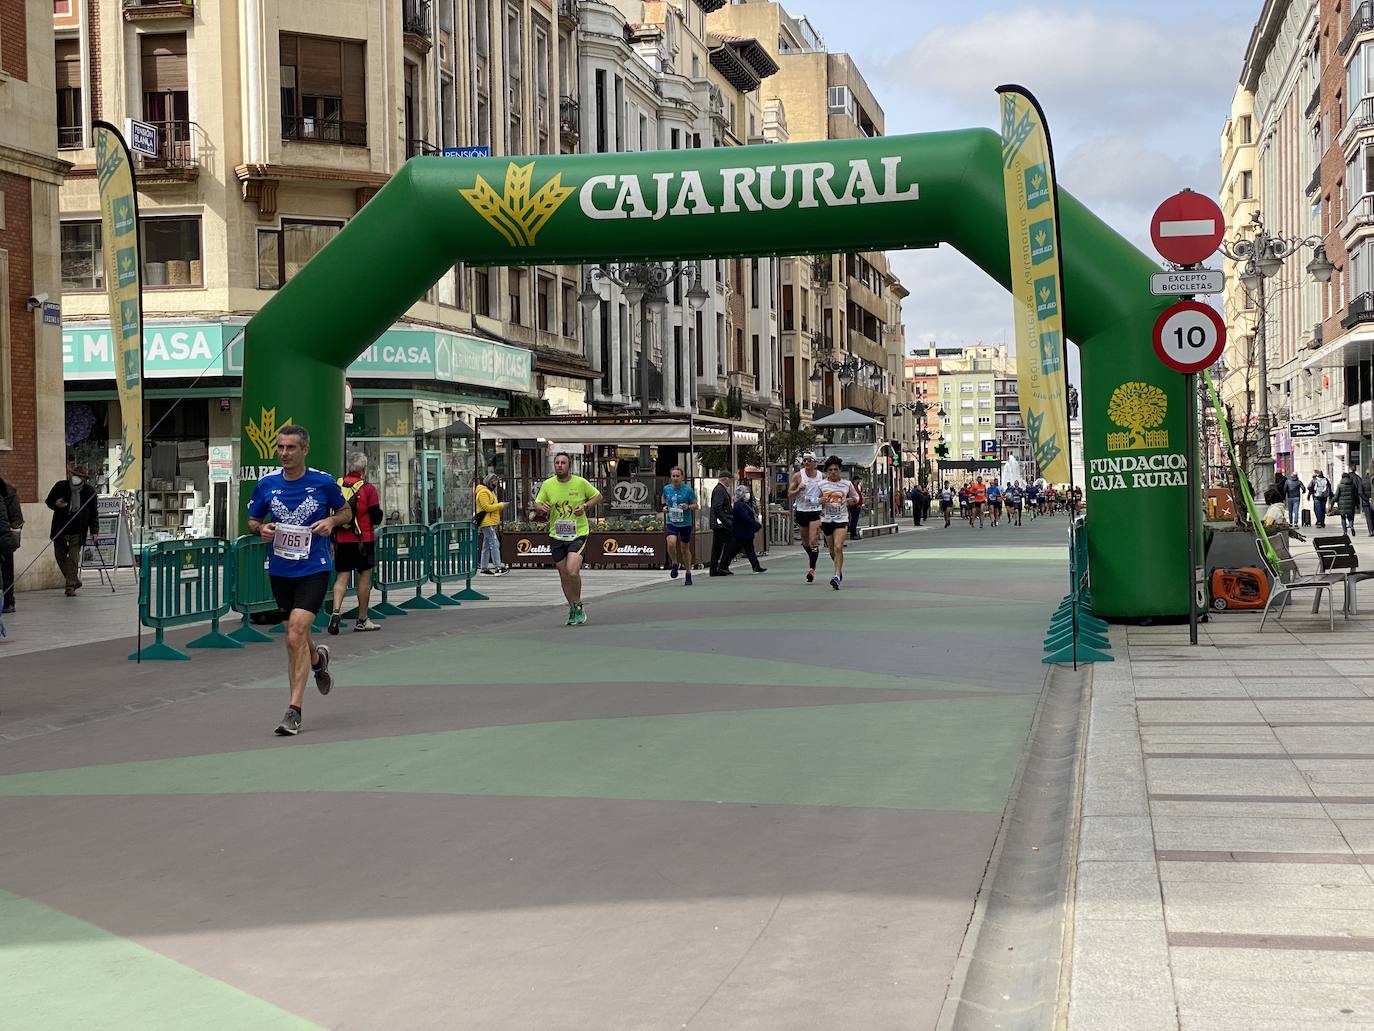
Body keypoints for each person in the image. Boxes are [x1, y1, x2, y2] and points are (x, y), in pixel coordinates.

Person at [245, 425, 353, 737]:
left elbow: (345, 511)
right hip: (281, 569)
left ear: (304, 450)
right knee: (298, 632)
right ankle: (318, 661)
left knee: (293, 634)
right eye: (280, 447)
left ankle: (294, 710)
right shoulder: (267, 484)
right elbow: (253, 519)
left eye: (291, 448)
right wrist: (259, 529)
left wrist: (331, 521)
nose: (284, 454)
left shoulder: (322, 482)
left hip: (314, 568)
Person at [532, 451, 601, 625]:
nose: (560, 465)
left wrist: (585, 506)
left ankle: (578, 604)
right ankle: (573, 608)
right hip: (556, 534)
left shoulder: (580, 482)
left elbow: (598, 496)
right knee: (563, 575)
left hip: (578, 532)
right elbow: (537, 504)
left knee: (572, 571)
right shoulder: (548, 485)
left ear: (569, 465)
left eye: (563, 462)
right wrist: (542, 507)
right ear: (554, 465)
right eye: (557, 463)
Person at [326, 452, 384, 635]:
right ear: (364, 469)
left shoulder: (337, 485)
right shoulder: (368, 489)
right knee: (364, 579)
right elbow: (376, 516)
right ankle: (362, 619)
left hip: (341, 539)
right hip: (363, 539)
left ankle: (336, 612)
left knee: (341, 577)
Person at [45, 456, 99, 597]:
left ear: (84, 479)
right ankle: (74, 580)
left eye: (79, 477)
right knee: (60, 556)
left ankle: (70, 586)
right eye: (74, 475)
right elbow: (48, 501)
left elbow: (94, 513)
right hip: (60, 528)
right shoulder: (60, 486)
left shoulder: (89, 492)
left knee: (73, 558)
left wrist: (94, 531)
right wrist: (56, 504)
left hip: (78, 530)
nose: (76, 478)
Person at [818, 456, 860, 589]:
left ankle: (836, 576)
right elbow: (812, 499)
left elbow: (856, 498)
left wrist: (848, 501)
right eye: (830, 470)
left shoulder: (847, 484)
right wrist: (820, 501)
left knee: (838, 547)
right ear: (827, 471)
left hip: (841, 518)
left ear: (840, 470)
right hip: (826, 519)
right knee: (832, 551)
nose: (833, 472)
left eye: (836, 469)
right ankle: (838, 570)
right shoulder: (821, 484)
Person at [659, 466, 699, 585]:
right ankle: (675, 563)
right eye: (673, 476)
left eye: (678, 476)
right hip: (672, 521)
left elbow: (696, 505)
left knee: (684, 549)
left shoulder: (688, 490)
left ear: (682, 477)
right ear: (671, 477)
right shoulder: (666, 489)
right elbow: (663, 502)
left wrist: (688, 507)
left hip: (685, 522)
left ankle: (688, 573)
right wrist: (664, 508)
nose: (675, 478)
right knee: (671, 542)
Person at [789, 452, 824, 583]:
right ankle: (812, 556)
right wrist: (798, 489)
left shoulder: (821, 476)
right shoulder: (798, 476)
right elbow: (790, 493)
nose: (807, 462)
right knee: (805, 541)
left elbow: (826, 493)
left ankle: (811, 569)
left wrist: (823, 501)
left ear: (815, 462)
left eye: (809, 460)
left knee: (813, 540)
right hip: (802, 510)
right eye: (804, 460)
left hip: (815, 511)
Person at [721, 482, 767, 573]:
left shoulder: (743, 504)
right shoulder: (739, 505)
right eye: (745, 492)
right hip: (741, 532)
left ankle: (755, 566)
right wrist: (755, 524)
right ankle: (723, 566)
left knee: (749, 550)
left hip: (745, 532)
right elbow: (746, 518)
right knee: (735, 550)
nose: (747, 494)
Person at [475, 472, 508, 575]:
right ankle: (498, 567)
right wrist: (501, 505)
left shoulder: (490, 491)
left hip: (490, 521)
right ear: (489, 481)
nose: (496, 483)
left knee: (486, 545)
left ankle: (484, 568)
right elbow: (487, 507)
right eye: (494, 481)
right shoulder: (483, 492)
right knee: (494, 543)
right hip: (486, 522)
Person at [0, 476, 21, 613]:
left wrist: (12, 530)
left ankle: (8, 600)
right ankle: (7, 601)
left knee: (7, 570)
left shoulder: (9, 492)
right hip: (6, 535)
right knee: (7, 571)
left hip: (5, 537)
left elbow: (16, 517)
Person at [708, 471, 736, 576]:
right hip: (721, 524)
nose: (731, 482)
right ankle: (723, 566)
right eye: (730, 480)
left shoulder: (720, 489)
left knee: (717, 546)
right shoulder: (720, 490)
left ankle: (714, 569)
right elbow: (717, 507)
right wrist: (726, 521)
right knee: (731, 542)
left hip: (718, 523)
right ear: (726, 479)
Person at [1334, 469, 1360, 537]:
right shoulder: (1352, 485)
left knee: (1343, 518)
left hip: (1342, 504)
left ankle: (1345, 532)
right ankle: (1351, 526)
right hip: (1351, 503)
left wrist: (1332, 502)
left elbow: (1336, 495)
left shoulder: (1339, 485)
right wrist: (1357, 504)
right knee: (1350, 517)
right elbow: (1355, 495)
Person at [848, 475, 864, 540]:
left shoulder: (857, 486)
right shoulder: (852, 487)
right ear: (856, 480)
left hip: (857, 505)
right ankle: (853, 534)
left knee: (855, 520)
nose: (860, 481)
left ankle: (853, 533)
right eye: (859, 479)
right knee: (854, 520)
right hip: (854, 505)